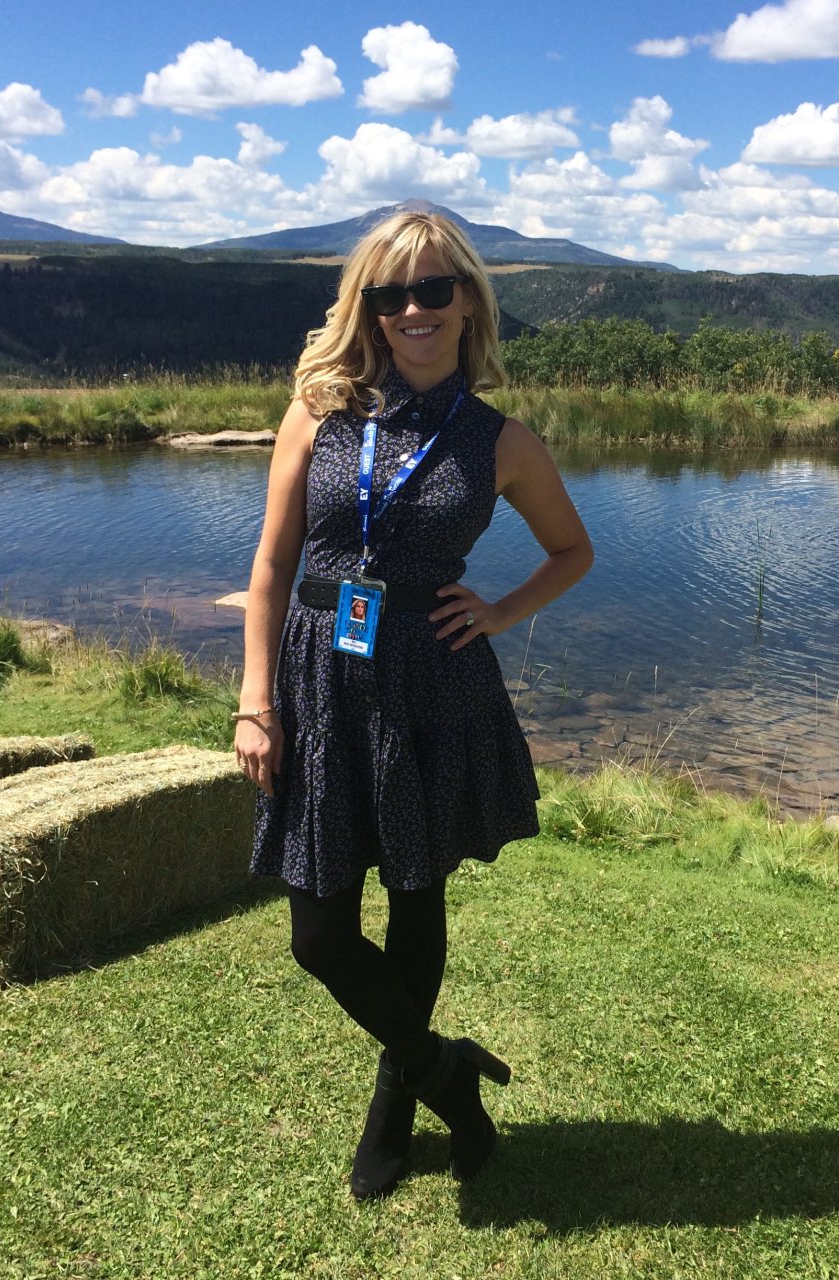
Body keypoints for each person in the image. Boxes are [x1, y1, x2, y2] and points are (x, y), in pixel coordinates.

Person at [232, 210, 592, 1200]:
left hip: (429, 682)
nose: (413, 310)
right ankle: (444, 1070)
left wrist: (500, 610)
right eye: (390, 294)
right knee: (318, 935)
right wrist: (255, 700)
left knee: (415, 892)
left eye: (434, 288)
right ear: (369, 308)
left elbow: (573, 549)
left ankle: (393, 1103)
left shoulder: (499, 439)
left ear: (468, 300)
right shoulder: (318, 410)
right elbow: (270, 565)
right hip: (317, 677)